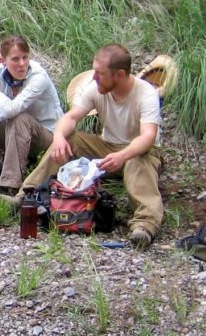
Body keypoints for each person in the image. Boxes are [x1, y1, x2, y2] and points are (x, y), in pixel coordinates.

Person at [24, 44, 163, 248]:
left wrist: (123, 156)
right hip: (107, 147)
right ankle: (26, 196)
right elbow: (71, 117)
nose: (95, 77)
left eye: (100, 73)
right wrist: (60, 137)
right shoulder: (96, 88)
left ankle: (145, 225)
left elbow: (148, 136)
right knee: (71, 138)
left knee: (137, 158)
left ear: (120, 74)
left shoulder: (146, 94)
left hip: (138, 152)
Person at [0, 36, 63, 192]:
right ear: (3, 61)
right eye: (15, 59)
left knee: (19, 117)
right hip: (16, 137)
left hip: (47, 140)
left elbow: (10, 110)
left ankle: (9, 184)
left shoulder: (38, 77)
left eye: (25, 58)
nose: (21, 64)